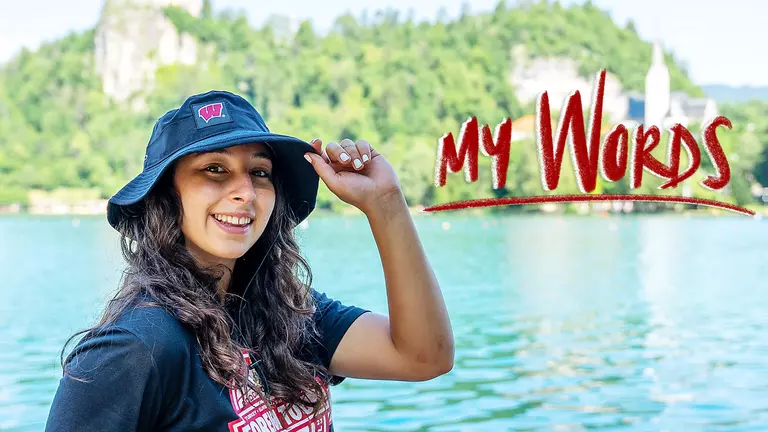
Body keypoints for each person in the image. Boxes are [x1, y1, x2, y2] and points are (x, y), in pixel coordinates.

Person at [45, 90, 454, 431]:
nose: (246, 191)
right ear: (167, 197)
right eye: (215, 169)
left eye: (260, 172)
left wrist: (386, 204)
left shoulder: (290, 314)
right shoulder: (136, 347)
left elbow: (424, 356)